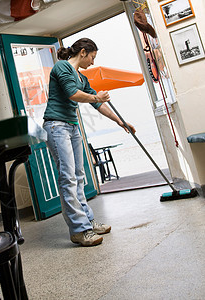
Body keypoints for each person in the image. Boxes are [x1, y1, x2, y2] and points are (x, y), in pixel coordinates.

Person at [43, 38, 136, 247]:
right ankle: (79, 230)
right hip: (57, 126)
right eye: (92, 57)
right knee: (68, 178)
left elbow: (98, 105)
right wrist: (97, 98)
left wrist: (122, 122)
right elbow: (73, 94)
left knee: (79, 176)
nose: (93, 62)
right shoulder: (62, 67)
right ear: (83, 52)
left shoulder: (82, 77)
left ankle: (88, 221)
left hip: (72, 126)